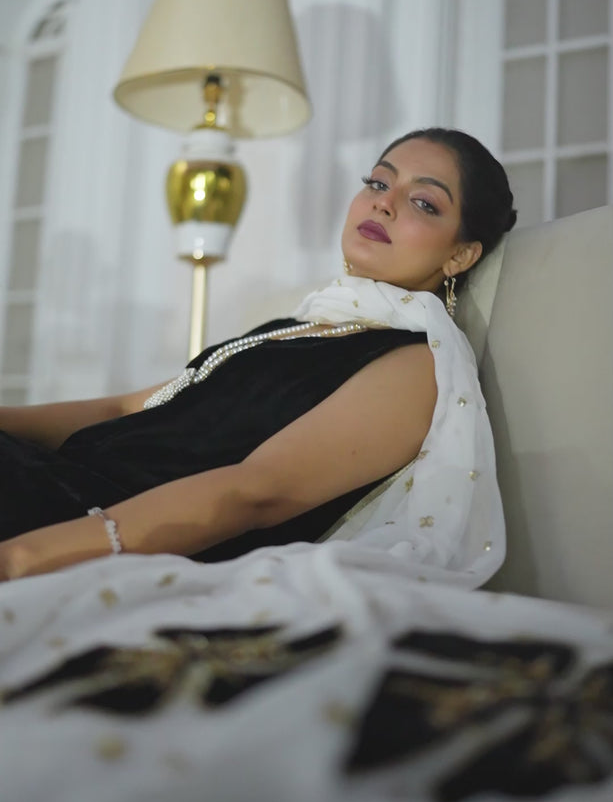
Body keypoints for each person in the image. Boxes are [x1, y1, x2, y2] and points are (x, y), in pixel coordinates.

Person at [0, 128, 516, 583]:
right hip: (58, 478)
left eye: (424, 203)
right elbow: (128, 408)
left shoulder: (415, 366)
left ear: (460, 254)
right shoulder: (295, 327)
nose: (384, 203)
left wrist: (24, 558)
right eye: (378, 183)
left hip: (105, 529)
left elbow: (255, 493)